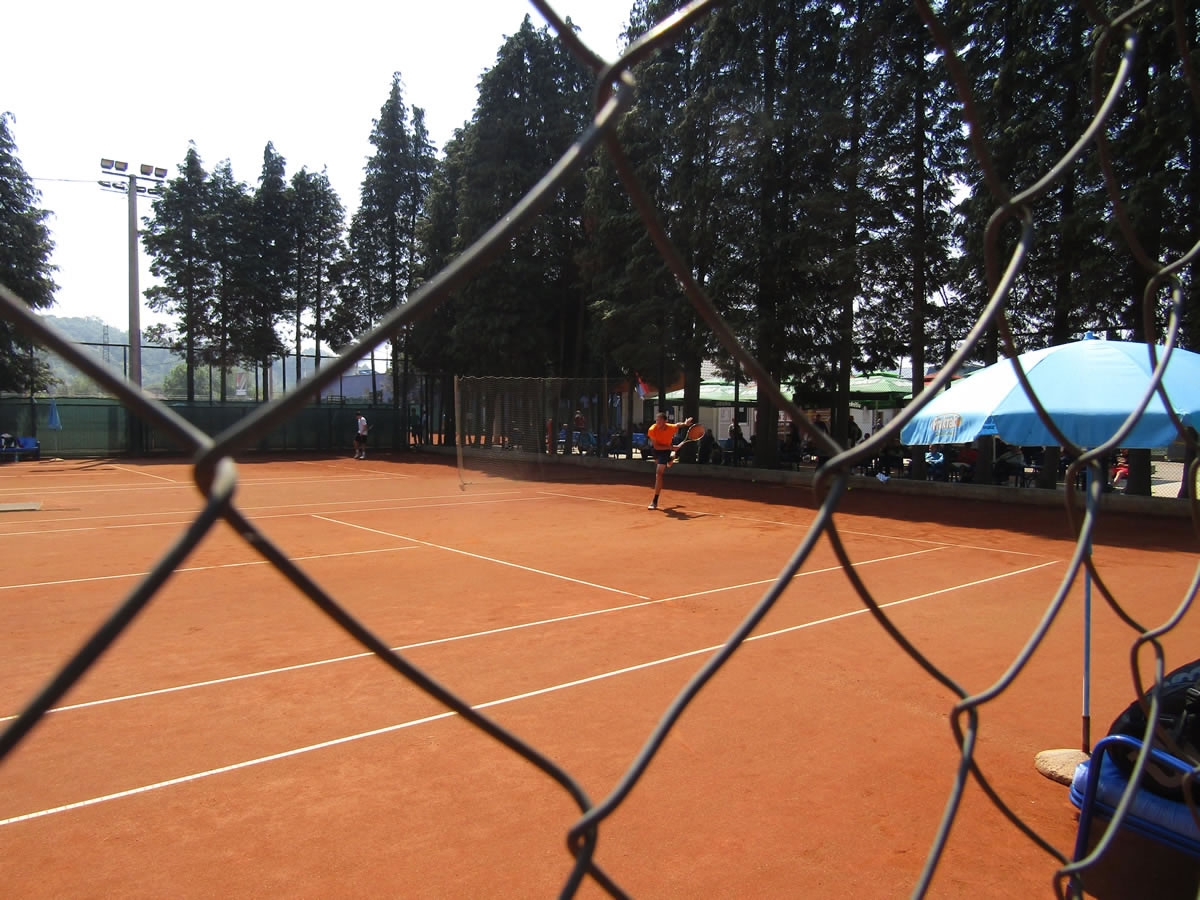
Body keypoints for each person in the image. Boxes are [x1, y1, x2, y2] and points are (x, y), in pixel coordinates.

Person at [646, 411, 694, 510]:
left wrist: (685, 424)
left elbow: (677, 425)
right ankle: (671, 458)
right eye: (657, 421)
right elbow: (656, 446)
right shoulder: (652, 429)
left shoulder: (670, 427)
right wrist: (672, 448)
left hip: (665, 451)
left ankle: (654, 501)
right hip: (656, 449)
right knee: (662, 467)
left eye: (660, 421)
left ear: (665, 421)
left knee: (659, 473)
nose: (657, 423)